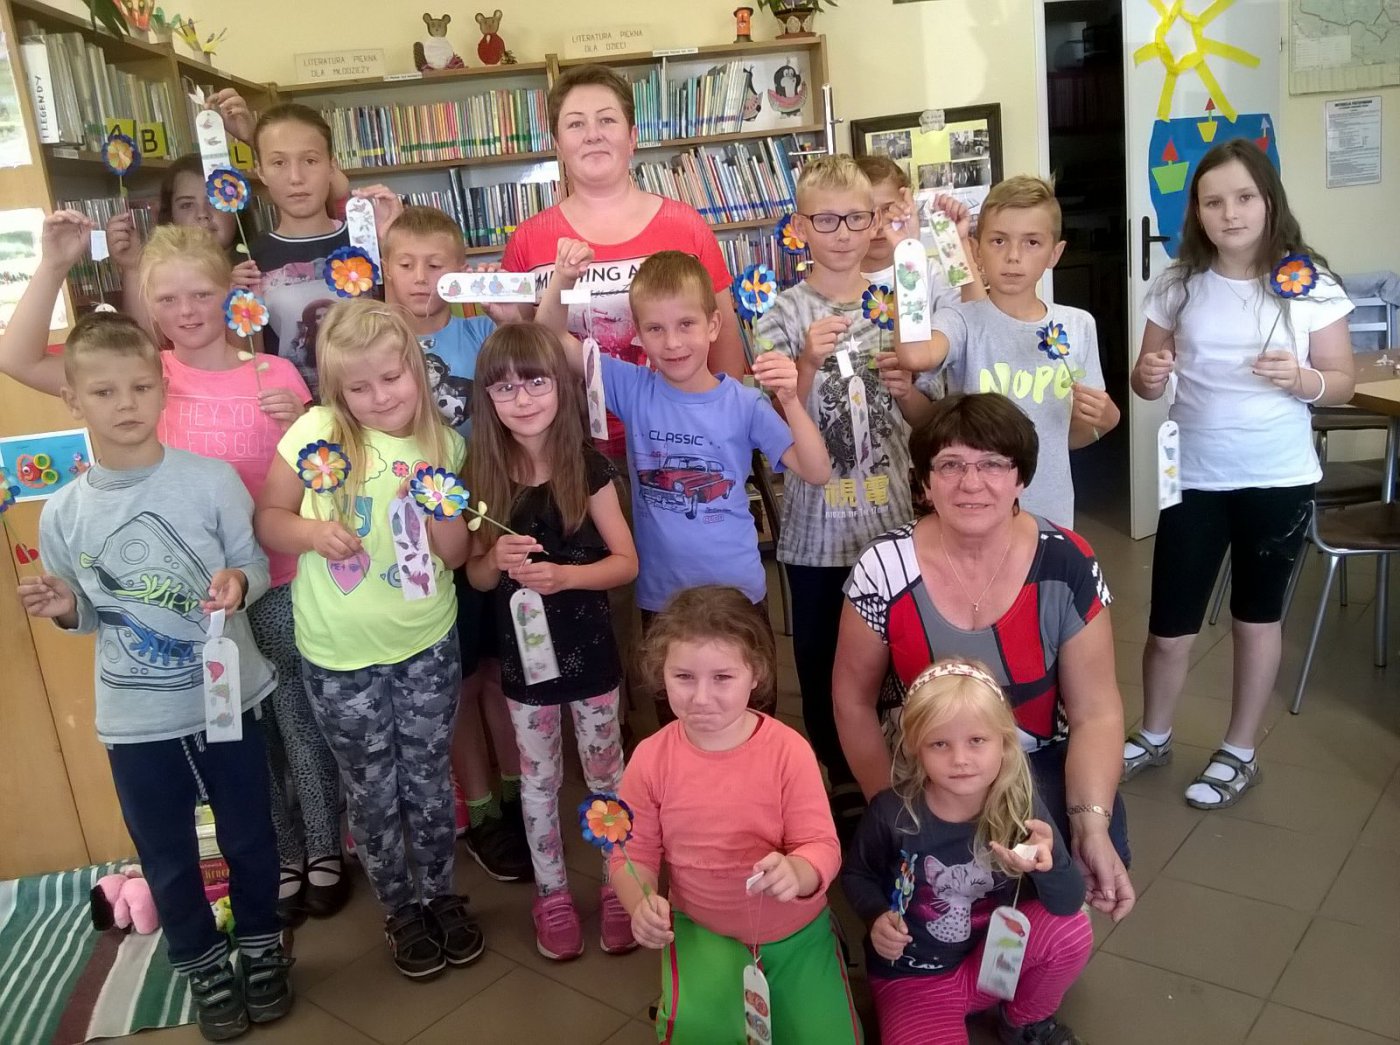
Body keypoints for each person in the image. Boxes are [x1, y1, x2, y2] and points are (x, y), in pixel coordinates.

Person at [0, 214, 349, 926]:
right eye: (167, 299)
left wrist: (304, 416)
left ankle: (325, 848)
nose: (186, 312)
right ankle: (279, 855)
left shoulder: (273, 371)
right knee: (242, 739)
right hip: (192, 605)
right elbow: (16, 358)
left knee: (299, 721)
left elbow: (325, 462)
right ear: (149, 306)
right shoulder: (147, 377)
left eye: (200, 295)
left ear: (231, 294)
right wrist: (54, 265)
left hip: (281, 578)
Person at [17, 312, 291, 1041]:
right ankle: (202, 967)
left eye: (141, 386)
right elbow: (86, 612)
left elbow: (256, 567)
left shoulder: (210, 481)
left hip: (228, 700)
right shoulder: (63, 512)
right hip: (136, 721)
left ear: (163, 388)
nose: (126, 404)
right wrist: (64, 606)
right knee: (167, 856)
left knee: (251, 836)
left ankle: (263, 948)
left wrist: (238, 581)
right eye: (104, 391)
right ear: (73, 400)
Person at [834, 393, 1135, 923]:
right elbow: (852, 701)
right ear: (925, 482)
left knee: (1064, 889)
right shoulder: (884, 566)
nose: (971, 483)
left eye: (993, 464)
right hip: (929, 762)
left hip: (1035, 763)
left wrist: (1090, 821)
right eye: (950, 465)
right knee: (924, 906)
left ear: (1021, 478)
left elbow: (1097, 712)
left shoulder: (1067, 560)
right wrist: (896, 814)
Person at [254, 299, 482, 980]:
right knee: (372, 790)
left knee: (429, 781)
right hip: (339, 655)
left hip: (425, 643)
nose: (380, 397)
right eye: (360, 387)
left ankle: (439, 894)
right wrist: (310, 533)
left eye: (392, 377)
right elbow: (269, 518)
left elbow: (454, 556)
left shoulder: (444, 444)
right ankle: (399, 908)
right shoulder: (316, 431)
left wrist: (443, 510)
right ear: (336, 390)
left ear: (415, 368)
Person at [1125, 139, 1355, 809]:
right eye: (1213, 201)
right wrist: (1148, 375)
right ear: (1197, 211)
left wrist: (1302, 378)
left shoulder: (1310, 282)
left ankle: (1240, 749)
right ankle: (1154, 732)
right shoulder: (1177, 283)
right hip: (1189, 473)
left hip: (1277, 476)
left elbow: (1341, 381)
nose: (1230, 213)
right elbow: (1144, 381)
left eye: (1244, 197)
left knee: (1257, 619)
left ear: (1269, 202)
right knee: (1169, 624)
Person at [541, 248, 830, 718]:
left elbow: (817, 471)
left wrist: (791, 400)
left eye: (686, 324)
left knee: (751, 718)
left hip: (737, 592)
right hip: (663, 597)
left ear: (713, 326)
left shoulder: (744, 403)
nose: (673, 342)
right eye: (655, 329)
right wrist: (562, 279)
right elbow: (551, 339)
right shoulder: (632, 387)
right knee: (678, 720)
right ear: (638, 335)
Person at [754, 155, 934, 836]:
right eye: (825, 220)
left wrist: (908, 391)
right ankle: (838, 773)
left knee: (899, 653)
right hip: (814, 536)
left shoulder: (897, 305)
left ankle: (902, 766)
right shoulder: (779, 313)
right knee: (823, 659)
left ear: (877, 221)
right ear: (800, 227)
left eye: (856, 218)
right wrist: (804, 362)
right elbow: (774, 429)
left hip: (891, 525)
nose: (842, 233)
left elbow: (927, 423)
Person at [614, 586, 861, 1045]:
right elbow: (632, 853)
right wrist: (639, 902)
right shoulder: (649, 759)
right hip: (702, 930)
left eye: (722, 677)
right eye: (683, 677)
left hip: (798, 934)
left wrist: (798, 871)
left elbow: (822, 844)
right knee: (699, 1033)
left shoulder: (789, 752)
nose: (701, 697)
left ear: (756, 673)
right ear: (660, 671)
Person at [464, 323, 639, 959]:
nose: (523, 399)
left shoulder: (586, 466)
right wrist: (493, 558)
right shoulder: (482, 472)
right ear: (487, 397)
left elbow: (626, 563)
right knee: (538, 783)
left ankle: (620, 884)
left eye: (536, 382)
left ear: (562, 386)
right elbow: (477, 577)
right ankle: (553, 893)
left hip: (592, 658)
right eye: (504, 388)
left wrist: (565, 576)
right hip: (524, 668)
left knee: (606, 778)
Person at [382, 204, 531, 883]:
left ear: (462, 271)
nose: (420, 278)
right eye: (405, 264)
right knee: (461, 680)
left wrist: (509, 318)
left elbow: (533, 371)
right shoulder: (379, 342)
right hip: (424, 538)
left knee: (503, 672)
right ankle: (482, 809)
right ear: (384, 270)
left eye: (436, 265)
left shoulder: (479, 331)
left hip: (494, 522)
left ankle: (520, 794)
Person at [843, 660, 1092, 1045]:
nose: (959, 758)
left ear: (1004, 742)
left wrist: (1050, 865)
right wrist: (876, 916)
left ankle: (1022, 1021)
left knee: (1071, 928)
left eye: (976, 740)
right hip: (913, 978)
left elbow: (1068, 903)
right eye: (940, 743)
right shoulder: (891, 813)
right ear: (915, 748)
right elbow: (857, 875)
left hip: (995, 960)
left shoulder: (1019, 806)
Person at [894, 175, 1121, 529]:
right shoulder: (961, 320)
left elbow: (1067, 437)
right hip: (976, 513)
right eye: (999, 241)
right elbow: (914, 356)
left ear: (1055, 253)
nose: (1014, 256)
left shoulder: (1078, 326)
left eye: (1032, 242)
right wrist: (906, 253)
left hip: (1050, 514)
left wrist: (1106, 423)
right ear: (977, 250)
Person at [854, 154, 986, 402]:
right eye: (864, 213)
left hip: (927, 417)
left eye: (889, 210)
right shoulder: (842, 280)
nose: (879, 224)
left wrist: (957, 245)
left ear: (909, 205)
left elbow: (977, 320)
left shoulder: (929, 272)